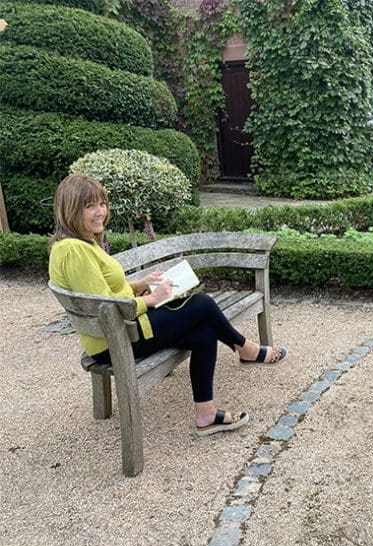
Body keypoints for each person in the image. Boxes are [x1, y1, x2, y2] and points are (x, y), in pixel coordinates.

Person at [48, 174, 287, 437]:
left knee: (205, 334)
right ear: (70, 209)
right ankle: (245, 348)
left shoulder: (80, 244)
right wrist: (152, 299)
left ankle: (206, 414)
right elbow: (104, 308)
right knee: (203, 304)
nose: (100, 212)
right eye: (90, 206)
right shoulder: (73, 250)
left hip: (123, 330)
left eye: (102, 204)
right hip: (119, 339)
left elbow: (105, 293)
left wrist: (140, 285)